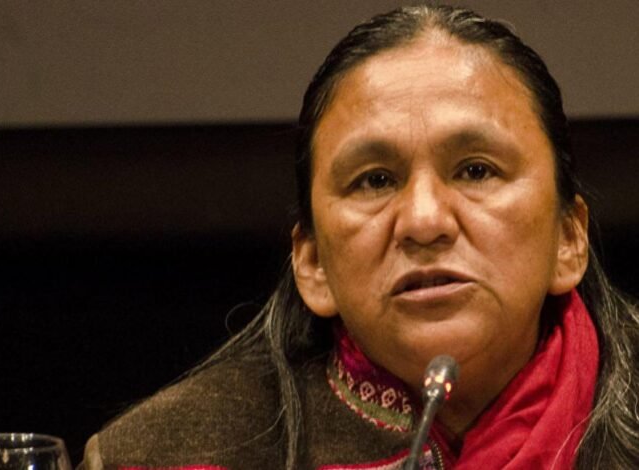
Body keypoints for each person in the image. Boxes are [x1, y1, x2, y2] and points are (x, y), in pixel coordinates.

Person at [79, 5, 639, 469]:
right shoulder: (163, 454)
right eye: (375, 181)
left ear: (569, 239)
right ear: (312, 264)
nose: (424, 221)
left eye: (475, 171)